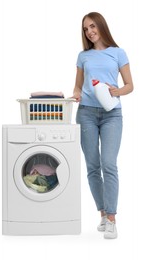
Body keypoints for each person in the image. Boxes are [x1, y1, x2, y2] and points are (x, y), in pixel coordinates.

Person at [72, 12, 133, 239]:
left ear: (101, 26)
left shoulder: (118, 53)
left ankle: (112, 219)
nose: (89, 31)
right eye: (86, 29)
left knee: (109, 164)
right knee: (92, 167)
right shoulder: (83, 56)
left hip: (112, 115)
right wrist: (76, 94)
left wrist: (117, 91)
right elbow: (78, 86)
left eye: (92, 26)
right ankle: (102, 213)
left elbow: (130, 85)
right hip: (86, 114)